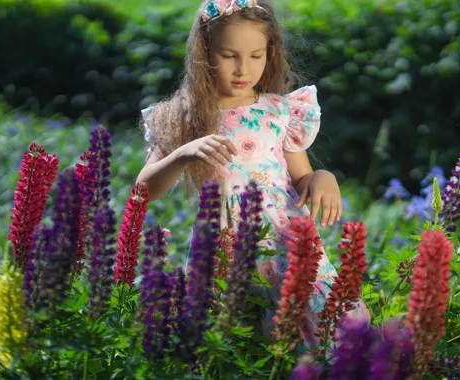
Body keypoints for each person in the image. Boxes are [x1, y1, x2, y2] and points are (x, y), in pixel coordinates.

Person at [136, 0, 369, 348]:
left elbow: (302, 178)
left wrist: (324, 178)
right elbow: (144, 191)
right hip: (222, 245)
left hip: (284, 240)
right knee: (234, 339)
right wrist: (183, 155)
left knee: (310, 326)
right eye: (229, 55)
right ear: (204, 53)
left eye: (256, 55)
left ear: (270, 52)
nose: (243, 69)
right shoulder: (184, 117)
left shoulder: (278, 110)